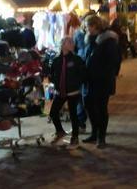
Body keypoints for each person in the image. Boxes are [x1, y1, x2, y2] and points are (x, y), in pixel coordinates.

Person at [82, 16, 121, 148]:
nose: (86, 29)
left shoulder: (108, 41)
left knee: (101, 108)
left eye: (88, 26)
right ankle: (94, 132)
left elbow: (113, 61)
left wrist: (104, 74)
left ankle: (101, 137)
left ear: (95, 26)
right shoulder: (91, 39)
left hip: (102, 81)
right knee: (89, 106)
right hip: (89, 80)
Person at [49, 36, 86, 148]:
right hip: (60, 92)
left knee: (73, 114)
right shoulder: (56, 60)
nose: (72, 44)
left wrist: (76, 84)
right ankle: (60, 131)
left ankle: (75, 137)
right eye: (69, 42)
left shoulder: (76, 59)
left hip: (73, 92)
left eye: (72, 42)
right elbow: (52, 74)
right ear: (63, 45)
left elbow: (83, 74)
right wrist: (56, 84)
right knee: (53, 112)